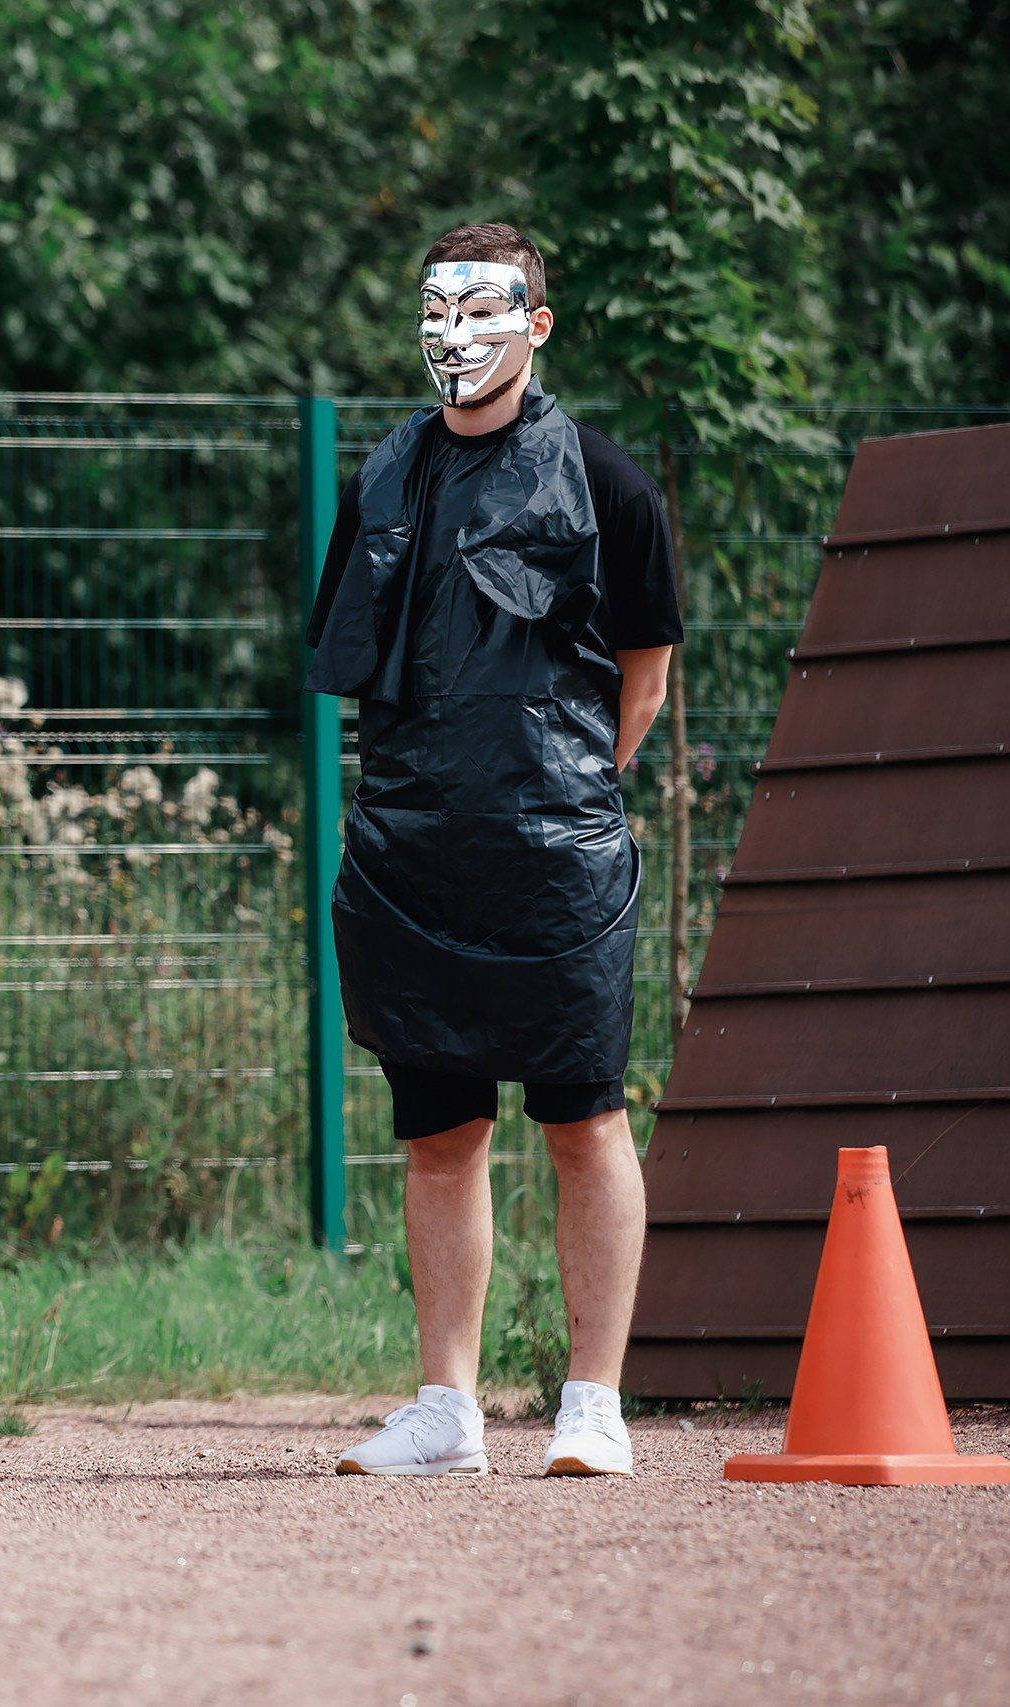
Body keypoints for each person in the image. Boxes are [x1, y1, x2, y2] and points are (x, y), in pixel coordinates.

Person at [303, 223, 679, 1477]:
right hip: (412, 854)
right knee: (438, 1132)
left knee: (583, 1119)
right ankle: (445, 1411)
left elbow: (645, 673)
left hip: (558, 858)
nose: (455, 333)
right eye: (437, 308)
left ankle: (592, 1405)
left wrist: (564, 792)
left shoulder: (608, 483)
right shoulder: (381, 477)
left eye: (484, 307)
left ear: (537, 325)